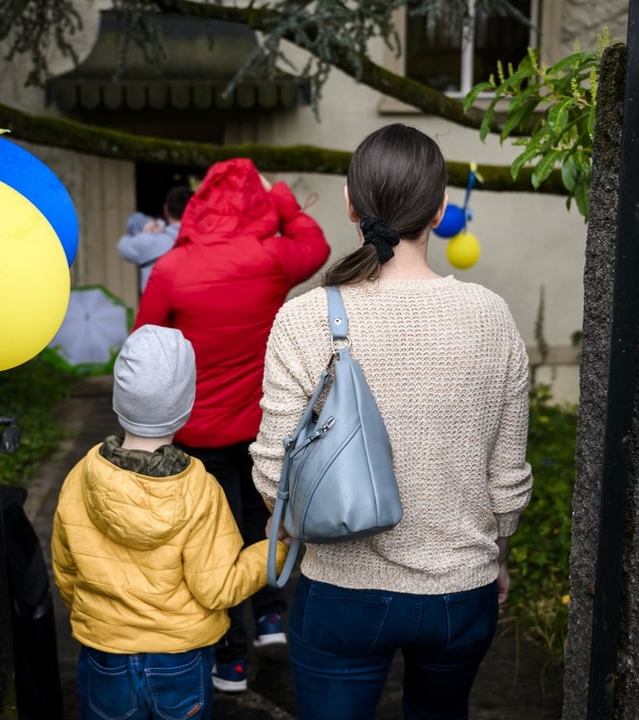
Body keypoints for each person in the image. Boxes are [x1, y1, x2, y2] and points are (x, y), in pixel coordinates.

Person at [250, 123, 534, 720]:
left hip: (340, 595)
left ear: (351, 205)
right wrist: (497, 558)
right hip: (462, 591)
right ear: (440, 210)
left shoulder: (303, 320)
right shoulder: (492, 318)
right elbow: (507, 479)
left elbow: (276, 482)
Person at [133, 157, 330, 692]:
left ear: (198, 206)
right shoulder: (273, 256)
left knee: (208, 540)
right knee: (261, 520)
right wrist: (281, 194)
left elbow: (145, 343)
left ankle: (230, 659)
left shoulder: (174, 267)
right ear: (256, 204)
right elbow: (318, 245)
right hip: (263, 427)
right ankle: (270, 617)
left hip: (197, 432)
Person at [50, 325, 288, 720]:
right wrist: (274, 548)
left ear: (118, 399)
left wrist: (99, 618)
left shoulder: (81, 476)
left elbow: (66, 569)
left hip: (104, 654)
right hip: (180, 658)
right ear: (186, 404)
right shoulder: (200, 489)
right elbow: (218, 588)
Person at [117, 185, 194, 295]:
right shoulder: (210, 240)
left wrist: (145, 226)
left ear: (166, 210)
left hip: (158, 309)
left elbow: (122, 245)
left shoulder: (150, 241)